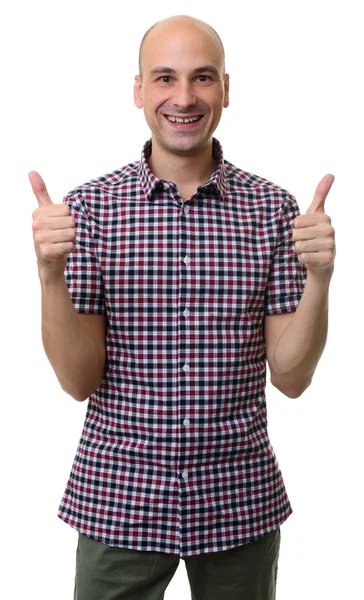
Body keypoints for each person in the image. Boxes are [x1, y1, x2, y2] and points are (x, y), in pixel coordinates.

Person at [30, 14, 336, 600]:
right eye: (165, 78)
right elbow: (77, 380)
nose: (184, 97)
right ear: (139, 90)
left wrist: (319, 280)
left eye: (202, 78)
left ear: (226, 87)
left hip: (237, 497)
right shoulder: (91, 209)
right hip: (119, 495)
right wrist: (49, 276)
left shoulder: (273, 210)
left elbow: (292, 378)